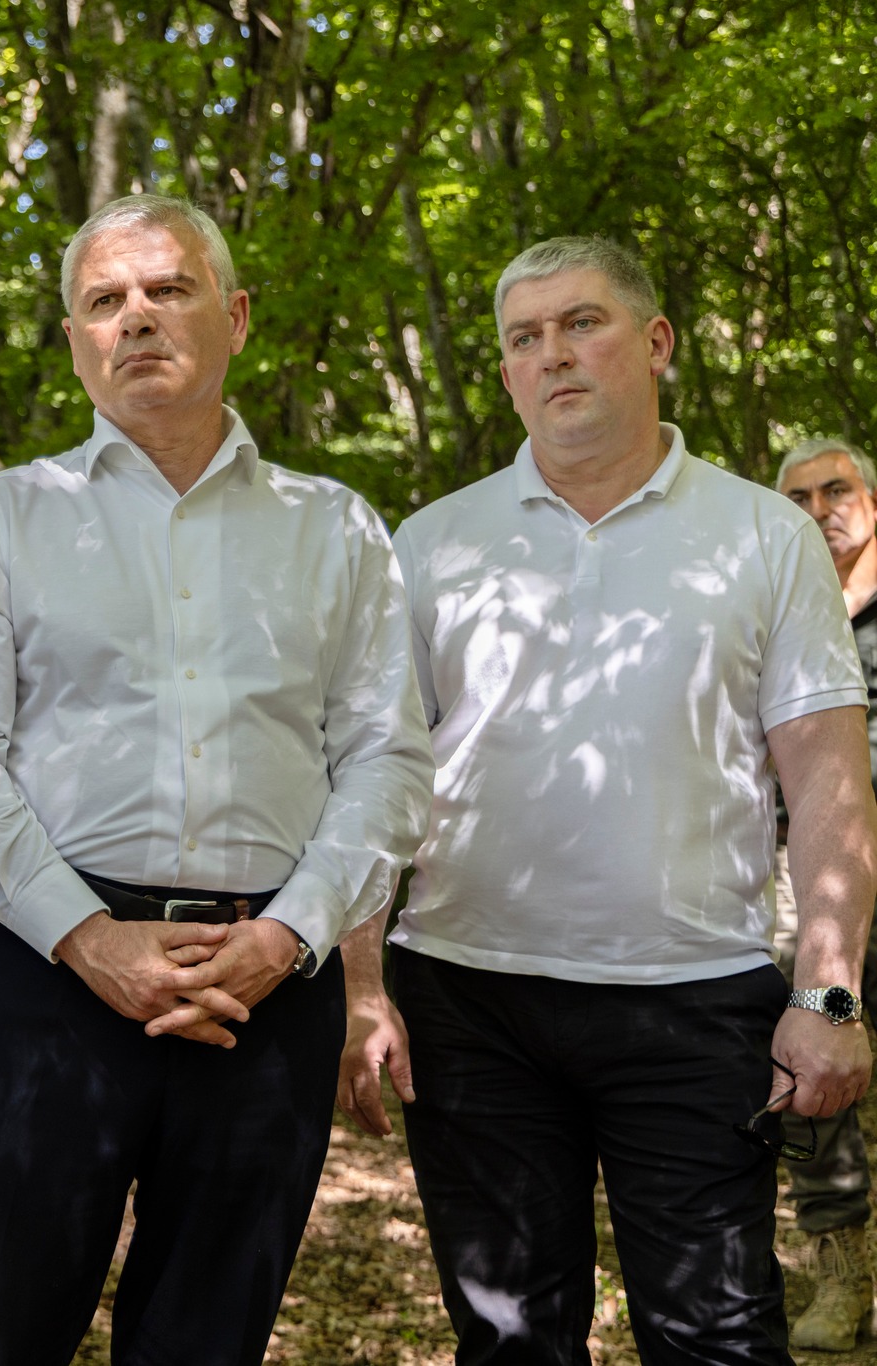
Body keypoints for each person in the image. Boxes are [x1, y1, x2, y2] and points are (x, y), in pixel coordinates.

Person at [0, 194, 434, 1365]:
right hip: (46, 975)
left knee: (205, 1339)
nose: (134, 317)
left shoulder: (335, 530)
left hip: (267, 986)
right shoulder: (1, 520)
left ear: (233, 317)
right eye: (104, 300)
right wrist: (91, 940)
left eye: (166, 289)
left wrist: (289, 936)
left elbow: (387, 759)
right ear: (74, 341)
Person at [337, 237, 877, 1364]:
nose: (553, 354)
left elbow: (827, 778)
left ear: (655, 341)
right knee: (509, 1340)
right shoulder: (432, 542)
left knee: (717, 1338)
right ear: (504, 371)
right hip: (468, 1000)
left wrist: (827, 994)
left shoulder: (764, 534)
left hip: (693, 998)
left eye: (581, 323)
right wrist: (360, 984)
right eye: (523, 337)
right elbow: (372, 773)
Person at [772, 437, 877, 1350]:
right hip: (807, 886)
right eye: (798, 498)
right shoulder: (777, 607)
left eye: (836, 490)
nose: (819, 510)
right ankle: (841, 1272)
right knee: (811, 1050)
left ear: (871, 503)